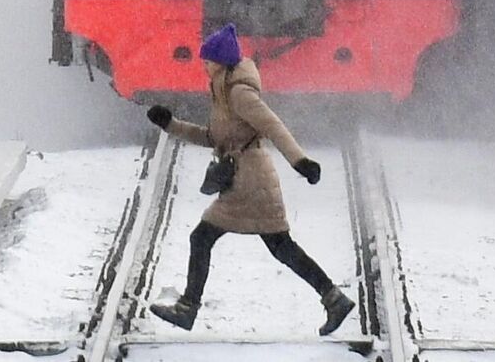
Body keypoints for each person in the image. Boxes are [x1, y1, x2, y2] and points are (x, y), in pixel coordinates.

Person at [144, 23, 356, 335]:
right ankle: (334, 298)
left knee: (203, 238)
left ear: (220, 62)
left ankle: (188, 308)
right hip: (245, 179)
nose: (203, 65)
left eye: (207, 61)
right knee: (281, 247)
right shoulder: (223, 91)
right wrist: (171, 124)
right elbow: (212, 137)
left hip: (251, 181)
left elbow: (273, 126)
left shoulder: (239, 94)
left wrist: (301, 162)